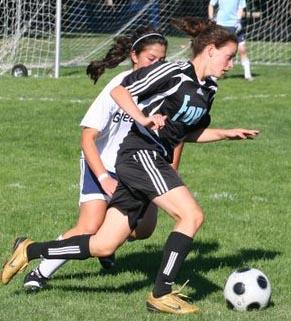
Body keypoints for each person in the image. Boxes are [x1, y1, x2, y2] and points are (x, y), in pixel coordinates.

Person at [1, 17, 259, 314]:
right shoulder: (174, 71)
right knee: (191, 216)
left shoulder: (209, 89)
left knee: (103, 245)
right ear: (210, 50)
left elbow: (186, 132)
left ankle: (29, 250)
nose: (230, 65)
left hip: (151, 157)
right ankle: (161, 293)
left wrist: (225, 134)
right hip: (140, 154)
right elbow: (120, 91)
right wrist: (143, 118)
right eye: (228, 57)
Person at [22, 26, 183, 291]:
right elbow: (87, 138)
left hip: (138, 166)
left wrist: (170, 171)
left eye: (161, 61)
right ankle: (39, 271)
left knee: (144, 230)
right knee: (88, 226)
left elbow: (177, 134)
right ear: (134, 55)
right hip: (102, 164)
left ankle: (106, 245)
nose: (156, 65)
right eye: (150, 59)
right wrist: (104, 178)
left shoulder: (163, 89)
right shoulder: (117, 87)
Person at [208, 0, 253, 80]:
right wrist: (211, 18)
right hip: (221, 25)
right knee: (220, 50)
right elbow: (211, 5)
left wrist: (238, 21)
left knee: (242, 49)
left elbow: (241, 7)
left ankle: (247, 75)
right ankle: (214, 74)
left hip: (235, 25)